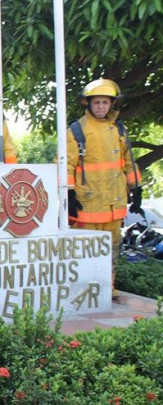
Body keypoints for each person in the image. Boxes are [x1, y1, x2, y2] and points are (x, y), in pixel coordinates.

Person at [67, 78, 142, 291]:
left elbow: (128, 162)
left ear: (111, 104)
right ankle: (82, 291)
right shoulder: (76, 130)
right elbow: (65, 165)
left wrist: (136, 189)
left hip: (114, 206)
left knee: (112, 249)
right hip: (87, 205)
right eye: (97, 102)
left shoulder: (118, 130)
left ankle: (108, 288)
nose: (101, 107)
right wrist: (69, 195)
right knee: (84, 250)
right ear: (89, 104)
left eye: (105, 103)